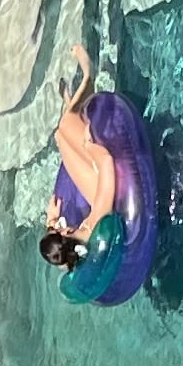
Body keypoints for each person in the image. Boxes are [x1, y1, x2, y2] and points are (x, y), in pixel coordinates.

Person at [36, 45, 133, 291]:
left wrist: (52, 219)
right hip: (114, 185)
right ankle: (88, 76)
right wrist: (90, 147)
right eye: (58, 229)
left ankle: (75, 103)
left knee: (60, 135)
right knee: (67, 123)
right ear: (66, 233)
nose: (58, 225)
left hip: (97, 192)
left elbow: (60, 254)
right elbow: (108, 163)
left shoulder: (72, 253)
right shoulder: (96, 222)